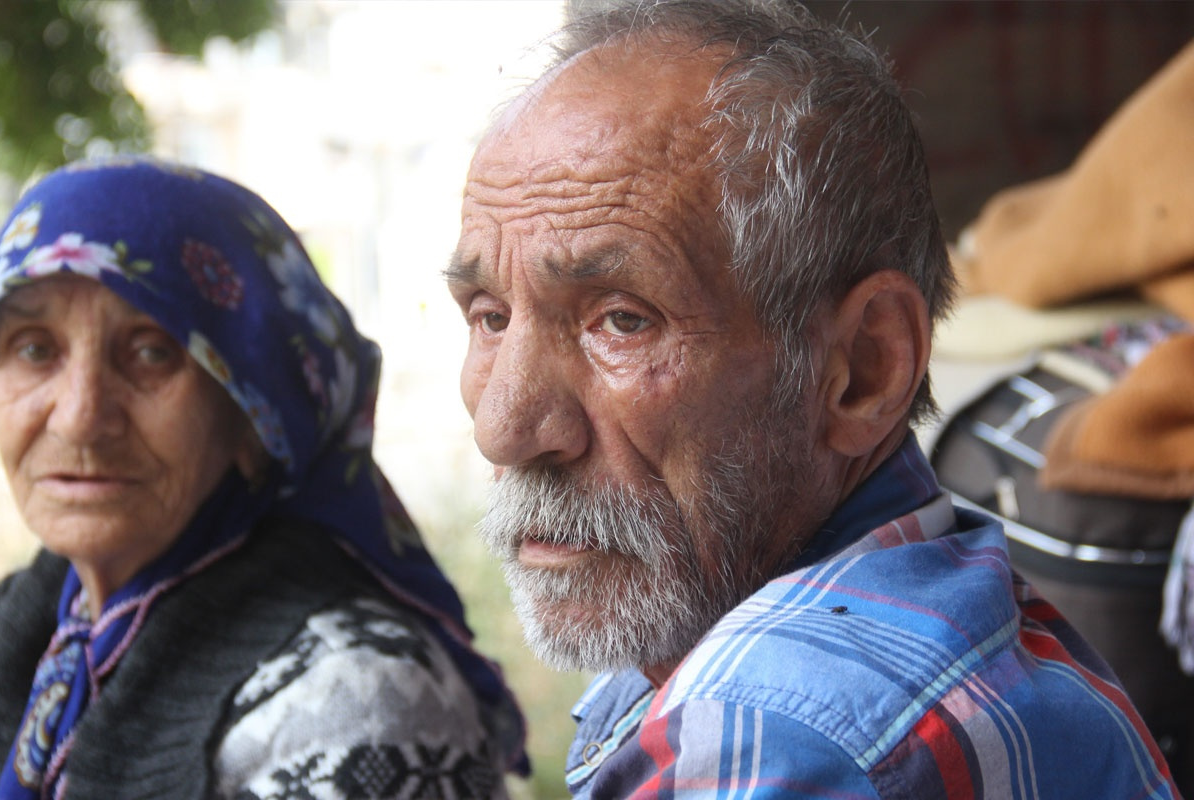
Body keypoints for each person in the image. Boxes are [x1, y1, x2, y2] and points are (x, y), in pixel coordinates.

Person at [444, 0, 1178, 796]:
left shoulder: (780, 738)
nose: (504, 426)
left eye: (622, 320)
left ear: (866, 369)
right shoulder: (940, 602)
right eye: (490, 316)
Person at [0, 156, 526, 800]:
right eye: (33, 349)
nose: (78, 418)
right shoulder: (15, 631)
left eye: (152, 352)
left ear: (255, 419)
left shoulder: (361, 697)